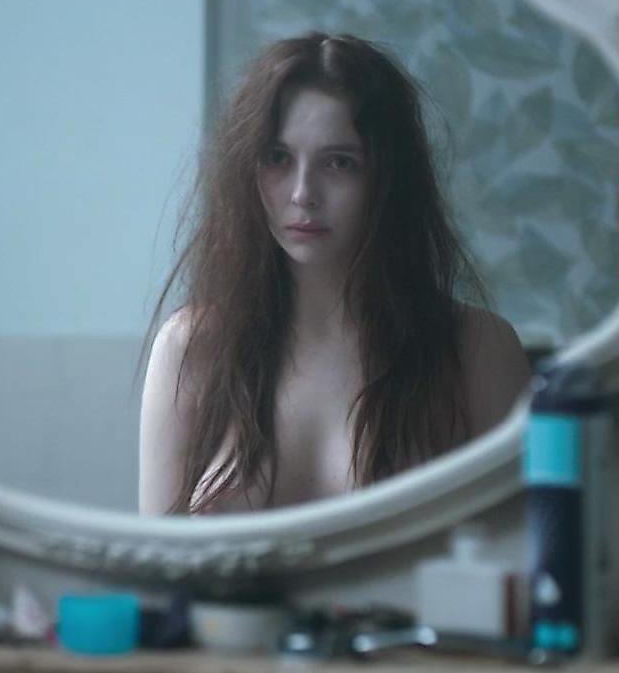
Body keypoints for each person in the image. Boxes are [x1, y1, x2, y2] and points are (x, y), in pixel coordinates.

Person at [138, 33, 530, 516]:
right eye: (278, 158)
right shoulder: (191, 348)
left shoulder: (477, 349)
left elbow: (523, 550)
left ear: (386, 179)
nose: (303, 193)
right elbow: (156, 555)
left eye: (339, 163)